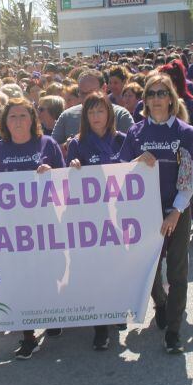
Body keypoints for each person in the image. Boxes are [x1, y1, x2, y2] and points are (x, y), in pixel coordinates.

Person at [119, 73, 193, 354]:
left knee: (178, 270)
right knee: (150, 268)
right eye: (151, 93)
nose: (156, 98)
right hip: (144, 212)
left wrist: (176, 212)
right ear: (145, 99)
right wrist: (136, 160)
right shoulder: (135, 133)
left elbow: (190, 177)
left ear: (171, 98)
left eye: (161, 93)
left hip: (175, 211)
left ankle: (174, 330)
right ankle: (162, 303)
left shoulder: (185, 133)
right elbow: (120, 172)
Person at [0, 97, 65, 359]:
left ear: (33, 119)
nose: (18, 121)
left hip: (44, 223)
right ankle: (28, 336)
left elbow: (66, 183)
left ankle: (51, 314)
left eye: (23, 116)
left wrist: (51, 173)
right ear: (4, 121)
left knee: (47, 274)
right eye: (12, 116)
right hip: (11, 228)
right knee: (18, 279)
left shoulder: (47, 144)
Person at [66, 93, 127, 349]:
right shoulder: (77, 144)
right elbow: (68, 183)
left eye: (100, 111)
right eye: (90, 112)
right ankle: (100, 326)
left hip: (119, 215)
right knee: (95, 270)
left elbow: (132, 173)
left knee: (117, 266)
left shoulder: (122, 140)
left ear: (109, 113)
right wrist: (73, 168)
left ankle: (117, 309)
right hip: (91, 218)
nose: (95, 117)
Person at [52, 70, 133, 145]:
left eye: (91, 93)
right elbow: (51, 149)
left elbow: (133, 148)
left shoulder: (121, 115)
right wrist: (67, 147)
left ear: (104, 88)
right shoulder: (66, 116)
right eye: (82, 93)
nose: (87, 98)